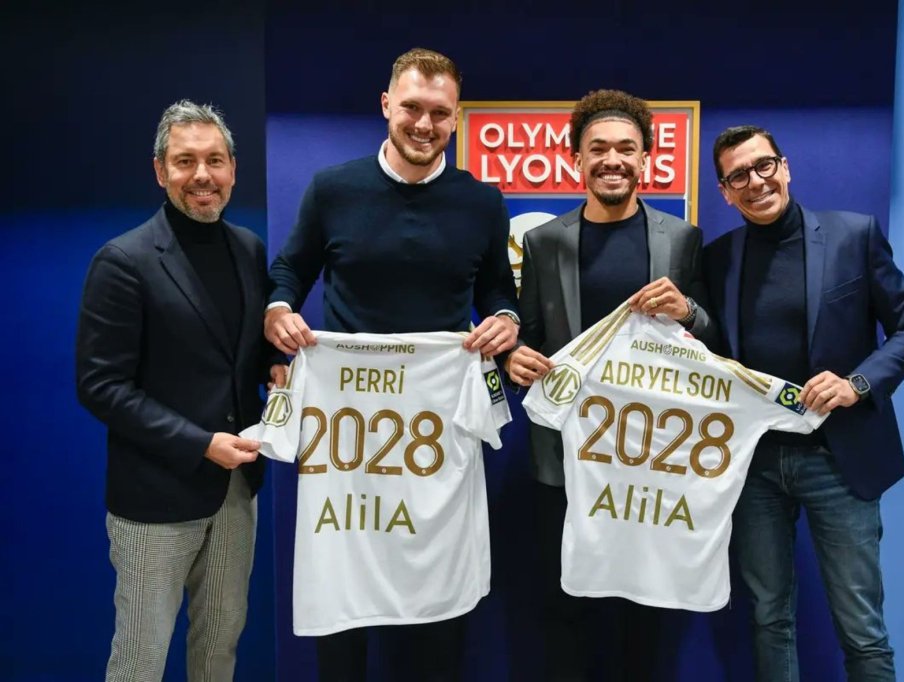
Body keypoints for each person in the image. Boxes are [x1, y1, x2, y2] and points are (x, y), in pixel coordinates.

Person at [263, 48, 519, 681]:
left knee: (438, 575)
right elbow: (291, 268)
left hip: (437, 416)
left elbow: (497, 291)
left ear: (456, 118)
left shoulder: (483, 202)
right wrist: (278, 309)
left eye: (439, 113)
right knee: (341, 579)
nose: (424, 124)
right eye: (411, 108)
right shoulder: (333, 188)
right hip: (347, 416)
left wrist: (506, 320)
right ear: (386, 105)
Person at [703, 125, 904, 681]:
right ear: (725, 192)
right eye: (739, 176)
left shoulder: (855, 236)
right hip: (753, 465)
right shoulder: (716, 259)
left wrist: (858, 382)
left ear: (785, 167)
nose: (756, 182)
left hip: (839, 458)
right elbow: (711, 352)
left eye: (764, 166)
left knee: (861, 628)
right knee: (769, 619)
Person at [506, 89, 715, 681]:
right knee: (566, 609)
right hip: (565, 464)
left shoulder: (681, 239)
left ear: (647, 158)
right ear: (578, 159)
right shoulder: (546, 243)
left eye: (626, 148)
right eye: (598, 148)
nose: (613, 159)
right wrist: (514, 362)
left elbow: (716, 344)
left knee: (645, 616)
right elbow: (528, 339)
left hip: (652, 464)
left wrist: (691, 314)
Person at [76, 100, 281, 681]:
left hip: (237, 492)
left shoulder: (249, 249)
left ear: (233, 170)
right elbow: (100, 386)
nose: (202, 176)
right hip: (154, 502)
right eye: (185, 161)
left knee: (219, 651)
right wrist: (199, 443)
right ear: (160, 170)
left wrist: (273, 364)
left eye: (214, 160)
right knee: (141, 661)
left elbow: (237, 348)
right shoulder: (123, 261)